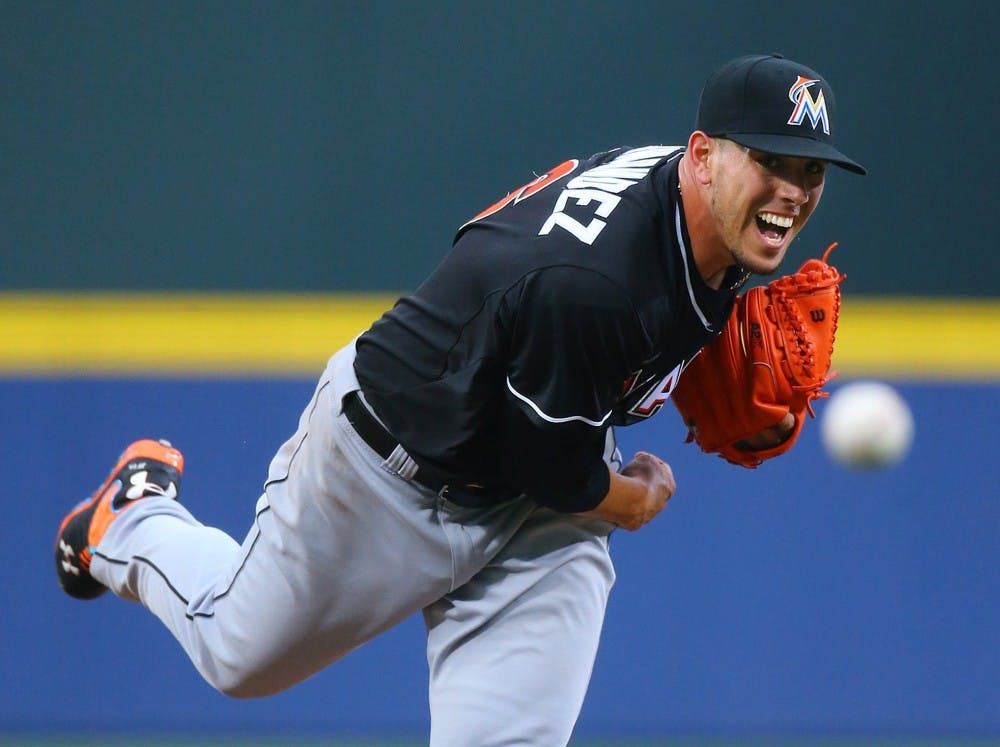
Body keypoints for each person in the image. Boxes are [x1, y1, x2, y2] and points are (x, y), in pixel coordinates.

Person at [55, 54, 865, 746]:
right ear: (702, 155)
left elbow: (568, 425)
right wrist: (637, 499)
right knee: (239, 654)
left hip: (535, 512)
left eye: (811, 170)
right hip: (388, 468)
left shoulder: (700, 217)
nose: (792, 190)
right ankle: (130, 517)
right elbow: (555, 465)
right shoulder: (598, 284)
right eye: (772, 161)